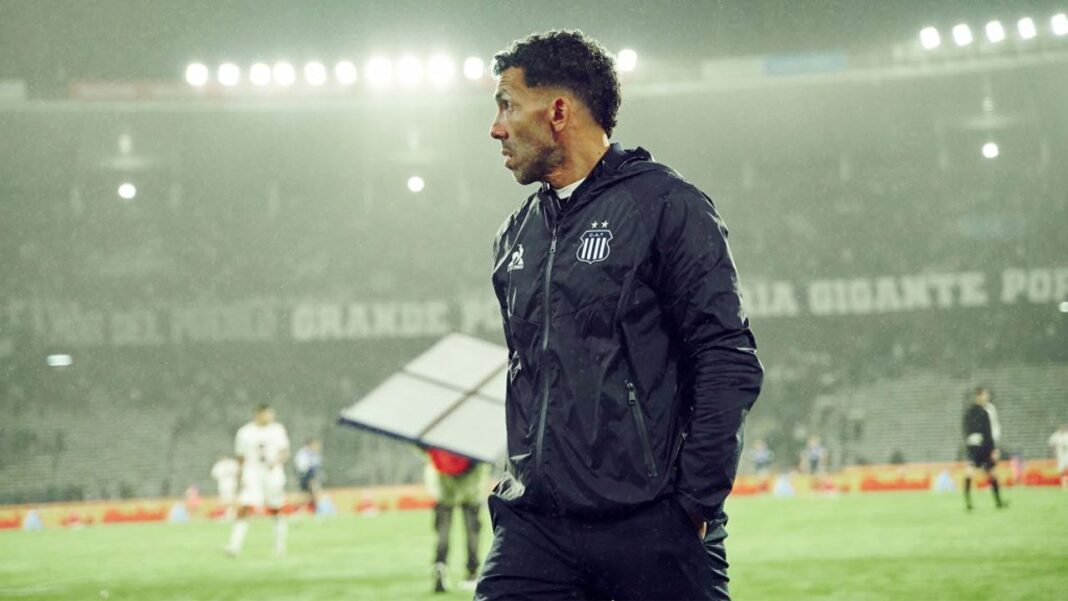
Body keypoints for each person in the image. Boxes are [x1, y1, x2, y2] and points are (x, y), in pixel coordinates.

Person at [478, 30, 763, 601]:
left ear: (559, 111)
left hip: (651, 522)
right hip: (537, 528)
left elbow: (725, 357)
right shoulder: (517, 235)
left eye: (507, 104)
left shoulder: (665, 206)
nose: (496, 127)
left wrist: (694, 503)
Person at [224, 404, 291, 556]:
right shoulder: (245, 432)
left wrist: (276, 461)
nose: (270, 417)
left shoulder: (277, 429)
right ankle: (234, 546)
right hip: (252, 474)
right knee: (245, 507)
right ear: (258, 414)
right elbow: (240, 457)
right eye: (267, 414)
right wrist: (239, 479)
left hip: (273, 474)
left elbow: (284, 451)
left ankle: (279, 548)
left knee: (277, 509)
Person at [425, 447, 485, 593]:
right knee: (472, 532)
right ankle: (472, 573)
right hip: (471, 490)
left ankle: (440, 566)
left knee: (442, 532)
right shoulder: (474, 443)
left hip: (445, 488)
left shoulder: (441, 442)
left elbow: (425, 449)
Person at [962, 387, 1006, 510]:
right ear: (979, 396)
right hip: (984, 448)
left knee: (970, 471)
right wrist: (993, 449)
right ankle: (998, 502)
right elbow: (988, 433)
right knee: (992, 473)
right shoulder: (984, 412)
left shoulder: (969, 412)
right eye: (985, 395)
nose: (986, 397)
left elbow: (966, 430)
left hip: (973, 447)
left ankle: (968, 502)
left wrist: (969, 443)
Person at [294, 438, 324, 513]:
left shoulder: (315, 454)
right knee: (308, 494)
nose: (317, 447)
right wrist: (309, 478)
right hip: (306, 476)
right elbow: (301, 467)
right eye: (315, 445)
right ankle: (297, 510)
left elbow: (317, 465)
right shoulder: (303, 454)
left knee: (312, 495)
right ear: (310, 445)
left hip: (312, 476)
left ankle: (315, 511)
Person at [210, 454, 239, 520]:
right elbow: (214, 475)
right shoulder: (218, 465)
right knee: (224, 500)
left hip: (232, 485)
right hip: (223, 486)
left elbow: (237, 472)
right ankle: (225, 514)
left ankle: (231, 514)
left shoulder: (232, 464)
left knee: (231, 499)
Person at [1048, 424, 1068, 490]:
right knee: (1061, 470)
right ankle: (1064, 484)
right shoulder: (1056, 435)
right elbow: (1051, 444)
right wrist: (1053, 453)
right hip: (1060, 456)